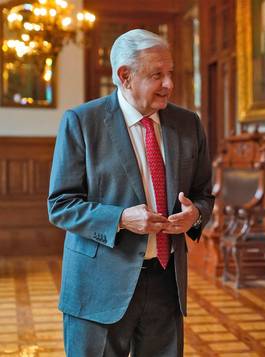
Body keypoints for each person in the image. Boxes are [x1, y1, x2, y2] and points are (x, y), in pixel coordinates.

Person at [47, 29, 214, 356]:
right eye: (157, 75)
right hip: (99, 287)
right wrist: (122, 218)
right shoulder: (82, 122)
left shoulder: (188, 124)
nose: (169, 84)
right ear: (125, 76)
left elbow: (204, 194)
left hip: (166, 284)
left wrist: (195, 215)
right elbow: (61, 205)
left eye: (170, 74)